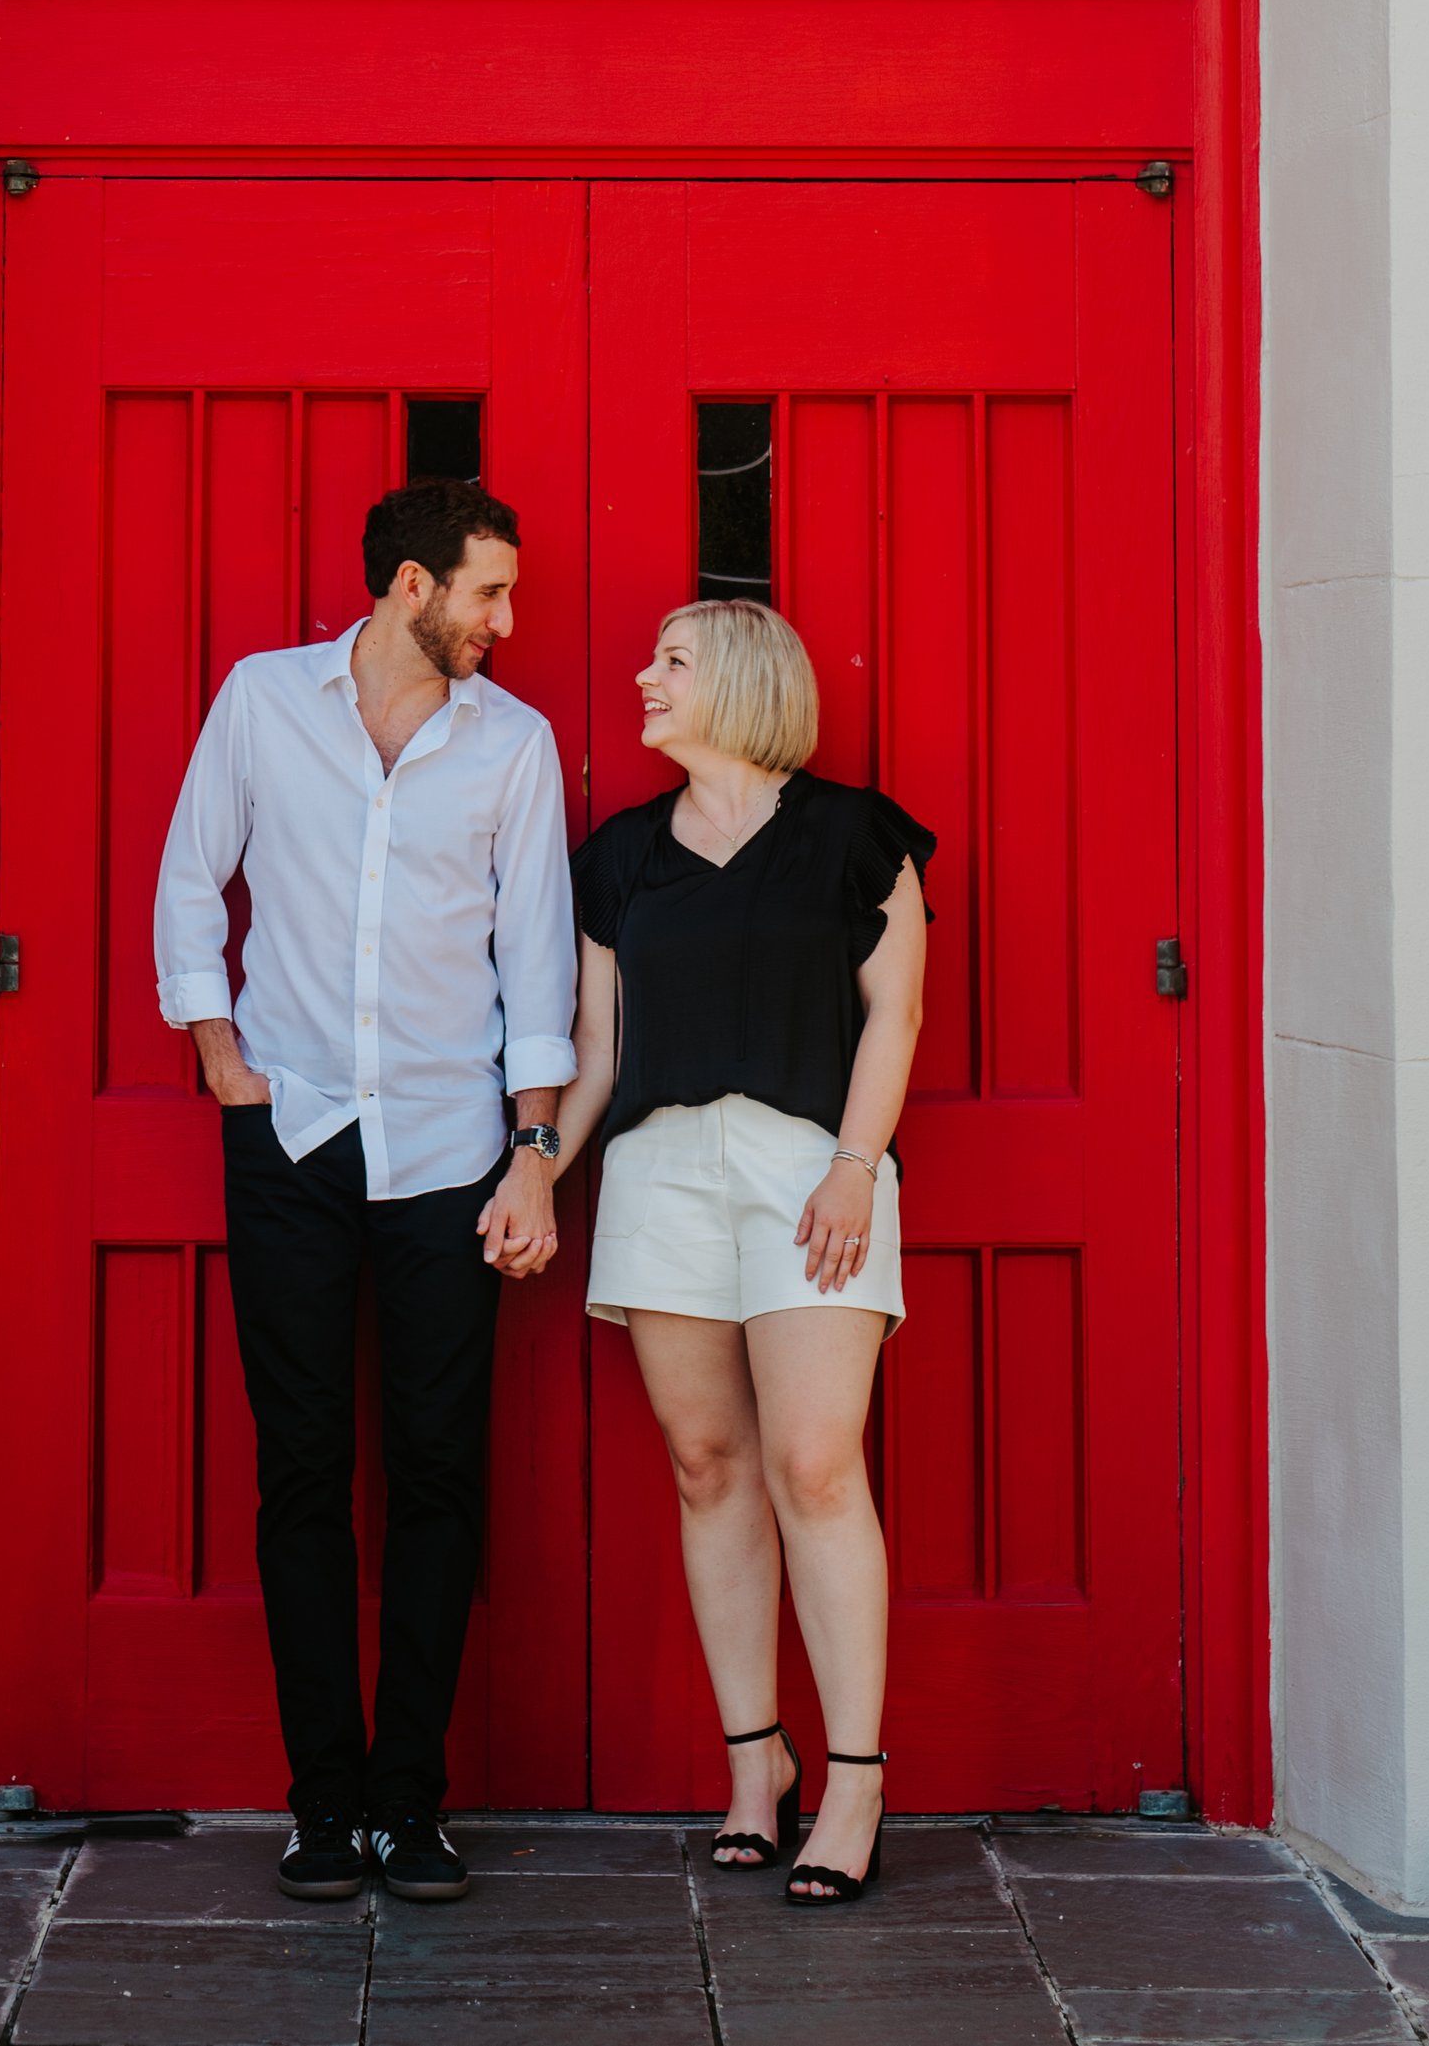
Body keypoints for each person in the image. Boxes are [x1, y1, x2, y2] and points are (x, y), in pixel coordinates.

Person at [153, 476, 576, 1905]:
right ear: (411, 585)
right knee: (303, 1473)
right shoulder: (265, 702)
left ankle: (410, 1802)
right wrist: (221, 1051)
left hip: (451, 1157)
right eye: (489, 592)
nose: (507, 620)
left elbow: (539, 962)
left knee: (440, 1478)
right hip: (294, 1145)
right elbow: (187, 877)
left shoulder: (515, 745)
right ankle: (322, 1804)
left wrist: (532, 1147)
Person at [549, 601, 931, 1908]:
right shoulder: (618, 862)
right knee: (709, 1464)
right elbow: (597, 1054)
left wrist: (850, 1164)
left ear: (747, 683)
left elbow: (895, 1015)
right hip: (661, 1170)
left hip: (806, 1168)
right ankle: (754, 1764)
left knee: (815, 1464)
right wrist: (537, 1162)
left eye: (672, 660)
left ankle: (858, 1776)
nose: (642, 675)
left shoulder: (852, 838)